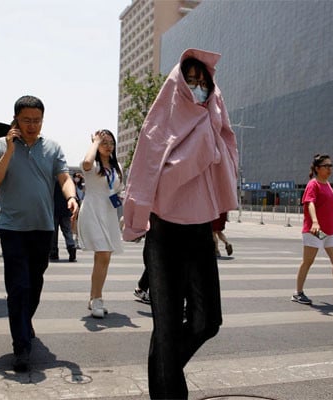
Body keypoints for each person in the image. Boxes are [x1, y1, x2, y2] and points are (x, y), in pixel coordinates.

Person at [122, 49, 238, 399]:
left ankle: (165, 370)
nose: (199, 88)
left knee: (207, 322)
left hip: (200, 232)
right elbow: (144, 173)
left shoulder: (213, 119)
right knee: (167, 328)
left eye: (204, 82)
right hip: (164, 234)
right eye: (191, 81)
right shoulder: (160, 122)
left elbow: (226, 162)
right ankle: (169, 387)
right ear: (178, 85)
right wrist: (135, 219)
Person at [0, 95, 78, 373]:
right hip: (12, 227)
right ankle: (21, 346)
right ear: (15, 119)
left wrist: (72, 197)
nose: (32, 125)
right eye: (26, 120)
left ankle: (25, 321)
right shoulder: (1, 145)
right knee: (18, 286)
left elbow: (63, 177)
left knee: (35, 283)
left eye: (37, 120)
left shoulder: (52, 147)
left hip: (43, 227)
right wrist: (10, 151)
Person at [291, 154, 333, 308]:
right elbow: (310, 204)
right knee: (308, 261)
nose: (330, 169)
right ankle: (298, 292)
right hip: (315, 230)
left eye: (331, 166)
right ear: (317, 168)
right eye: (326, 166)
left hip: (331, 231)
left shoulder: (327, 184)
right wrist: (315, 221)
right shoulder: (313, 184)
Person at [78, 129, 124, 318]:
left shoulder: (117, 166)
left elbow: (118, 190)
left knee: (104, 257)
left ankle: (93, 297)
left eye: (110, 142)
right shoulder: (92, 163)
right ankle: (97, 299)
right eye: (104, 142)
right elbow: (87, 163)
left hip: (109, 212)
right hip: (92, 211)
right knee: (103, 254)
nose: (108, 146)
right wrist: (95, 142)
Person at [50, 179, 77, 262]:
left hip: (54, 210)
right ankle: (71, 248)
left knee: (53, 233)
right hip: (65, 210)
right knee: (67, 231)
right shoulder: (66, 181)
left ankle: (54, 252)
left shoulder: (51, 181)